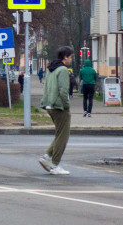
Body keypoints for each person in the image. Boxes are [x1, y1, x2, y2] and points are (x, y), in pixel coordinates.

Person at [39, 46, 73, 175]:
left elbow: (47, 86)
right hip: (59, 106)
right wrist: (67, 106)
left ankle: (47, 156)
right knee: (63, 137)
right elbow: (63, 91)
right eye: (70, 57)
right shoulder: (63, 70)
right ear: (65, 57)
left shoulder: (51, 68)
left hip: (49, 105)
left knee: (59, 135)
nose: (71, 59)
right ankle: (55, 164)